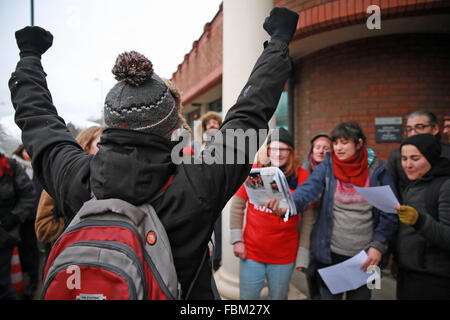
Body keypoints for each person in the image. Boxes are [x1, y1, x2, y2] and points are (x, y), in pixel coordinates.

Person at [9, 7, 299, 299]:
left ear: (109, 123)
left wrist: (29, 58)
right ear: (173, 125)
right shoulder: (201, 180)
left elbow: (38, 123)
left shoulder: (76, 178)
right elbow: (250, 114)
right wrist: (278, 41)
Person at [266, 122, 399, 300]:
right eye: (335, 143)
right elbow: (308, 190)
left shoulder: (378, 171)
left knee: (362, 297)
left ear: (359, 144)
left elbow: (390, 213)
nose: (338, 148)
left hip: (366, 256)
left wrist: (378, 246)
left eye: (344, 142)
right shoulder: (327, 167)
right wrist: (288, 204)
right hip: (330, 254)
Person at [229, 127, 310, 300]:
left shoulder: (302, 176)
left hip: (283, 255)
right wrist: (237, 240)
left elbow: (309, 217)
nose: (277, 154)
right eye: (273, 148)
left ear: (291, 152)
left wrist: (303, 253)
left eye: (283, 149)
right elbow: (237, 205)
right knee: (247, 299)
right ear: (267, 150)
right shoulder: (255, 170)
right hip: (252, 252)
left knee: (278, 297)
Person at [393, 134, 450, 299]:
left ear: (430, 157)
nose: (408, 165)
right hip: (408, 273)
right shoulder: (413, 184)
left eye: (415, 158)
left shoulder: (445, 186)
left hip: (434, 279)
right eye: (404, 159)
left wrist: (420, 221)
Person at [35, 126, 103, 245]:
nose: (105, 149)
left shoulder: (107, 178)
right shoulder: (61, 178)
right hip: (69, 253)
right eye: (100, 144)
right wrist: (75, 223)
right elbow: (43, 229)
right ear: (86, 145)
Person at [386, 110, 450, 202]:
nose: (413, 133)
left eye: (420, 127)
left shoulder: (447, 153)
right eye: (409, 129)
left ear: (435, 129)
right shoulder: (396, 155)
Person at [0, 148, 36, 300]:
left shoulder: (10, 167)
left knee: (3, 284)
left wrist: (12, 218)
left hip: (5, 235)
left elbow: (29, 195)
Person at [300, 133, 331, 300]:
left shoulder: (334, 171)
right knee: (309, 268)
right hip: (308, 226)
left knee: (324, 272)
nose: (321, 151)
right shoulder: (304, 169)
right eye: (318, 147)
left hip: (328, 228)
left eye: (326, 148)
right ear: (312, 150)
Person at [11, 145, 42, 299]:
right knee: (21, 247)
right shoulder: (14, 167)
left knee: (31, 248)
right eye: (26, 150)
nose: (28, 154)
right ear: (20, 151)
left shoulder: (39, 167)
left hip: (33, 216)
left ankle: (33, 280)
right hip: (18, 216)